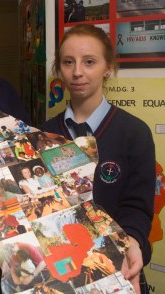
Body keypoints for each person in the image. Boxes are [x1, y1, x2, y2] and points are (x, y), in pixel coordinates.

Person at [40, 23, 155, 293]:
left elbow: (137, 207)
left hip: (117, 268)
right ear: (59, 69)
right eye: (68, 62)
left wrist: (133, 242)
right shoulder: (43, 134)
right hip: (63, 272)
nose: (77, 72)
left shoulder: (134, 132)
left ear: (108, 68)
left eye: (89, 62)